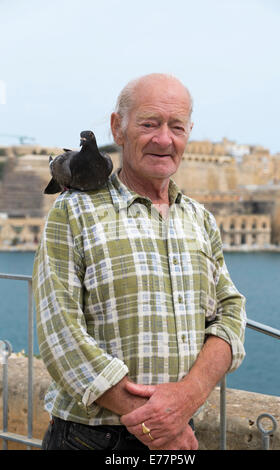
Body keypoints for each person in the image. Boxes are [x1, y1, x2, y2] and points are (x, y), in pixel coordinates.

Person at [33, 73, 246, 451]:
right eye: (149, 124)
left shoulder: (200, 219)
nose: (164, 139)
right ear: (118, 128)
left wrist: (188, 397)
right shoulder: (73, 212)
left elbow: (230, 313)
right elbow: (59, 334)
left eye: (176, 127)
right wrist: (157, 424)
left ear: (188, 133)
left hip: (179, 430)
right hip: (92, 439)